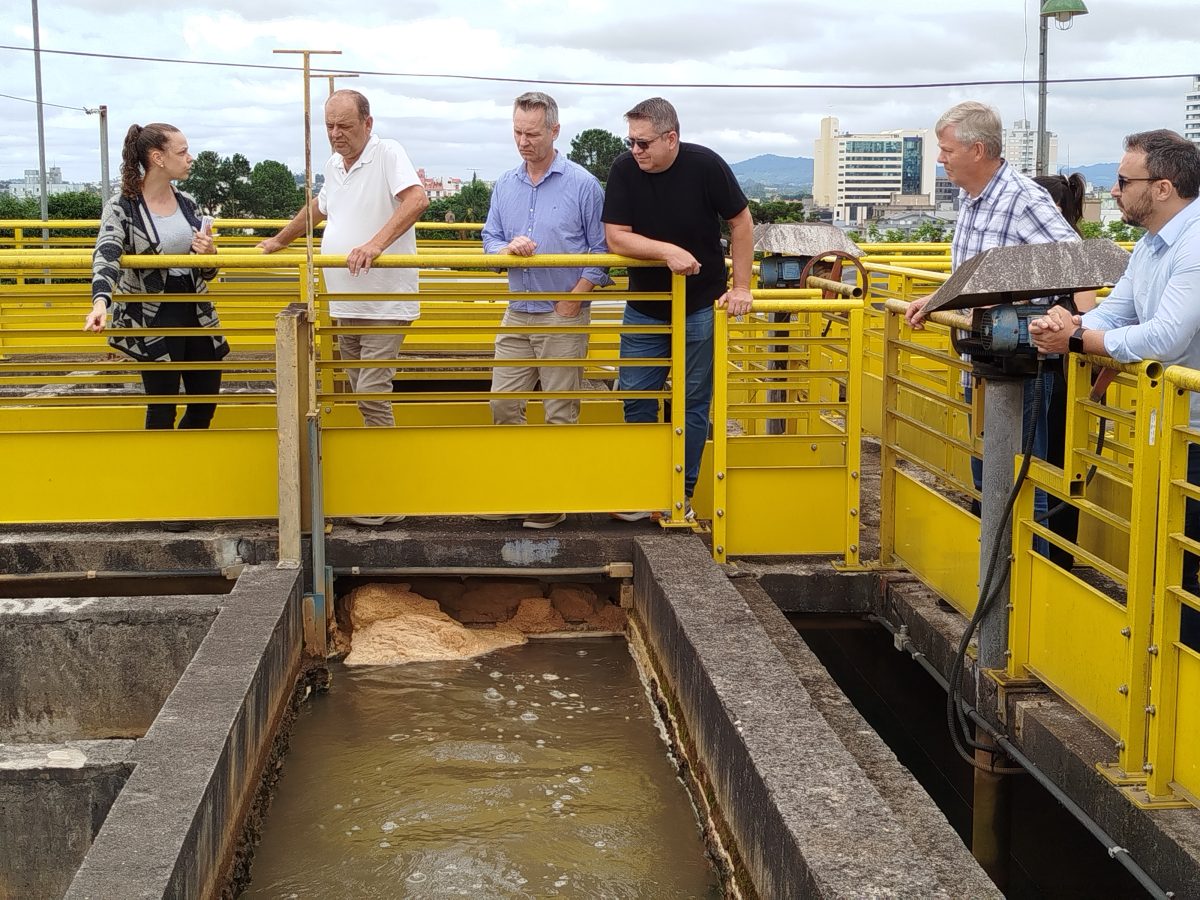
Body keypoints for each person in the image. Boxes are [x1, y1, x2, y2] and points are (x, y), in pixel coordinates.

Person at [1030, 129, 1200, 647]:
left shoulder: (1193, 244)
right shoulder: (1153, 243)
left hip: (1193, 431)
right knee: (1167, 562)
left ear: (1163, 187)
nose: (1115, 191)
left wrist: (1079, 339)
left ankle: (1182, 698)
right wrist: (1069, 324)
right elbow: (1114, 311)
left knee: (1186, 571)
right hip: (1171, 424)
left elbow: (1167, 337)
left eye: (1124, 181)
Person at [904, 101, 1079, 549]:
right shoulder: (971, 196)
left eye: (946, 150)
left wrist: (1023, 303)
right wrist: (939, 298)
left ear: (977, 150)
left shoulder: (1022, 198)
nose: (940, 158)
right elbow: (971, 271)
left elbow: (1072, 261)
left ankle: (1020, 595)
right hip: (982, 355)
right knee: (988, 473)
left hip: (1019, 358)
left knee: (1020, 481)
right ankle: (993, 581)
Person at [258, 90, 429, 526]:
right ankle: (378, 486)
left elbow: (417, 200)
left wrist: (374, 244)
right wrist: (280, 240)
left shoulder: (387, 153)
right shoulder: (335, 166)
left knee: (372, 393)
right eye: (330, 126)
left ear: (367, 124)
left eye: (345, 126)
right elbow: (319, 208)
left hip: (385, 302)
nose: (336, 135)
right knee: (362, 395)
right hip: (346, 302)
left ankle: (389, 495)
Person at [602, 97, 754, 521]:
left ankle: (680, 494)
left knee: (692, 402)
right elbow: (616, 236)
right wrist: (667, 251)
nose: (636, 151)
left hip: (700, 305)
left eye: (644, 143)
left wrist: (741, 286)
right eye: (631, 142)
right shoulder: (623, 170)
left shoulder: (706, 166)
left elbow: (741, 222)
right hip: (646, 305)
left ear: (672, 138)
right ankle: (645, 487)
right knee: (636, 396)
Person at [479, 91, 611, 530]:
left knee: (559, 409)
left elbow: (601, 249)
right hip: (518, 309)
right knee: (503, 405)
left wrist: (575, 297)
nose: (522, 141)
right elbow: (489, 239)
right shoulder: (504, 185)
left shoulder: (584, 185)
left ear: (555, 131)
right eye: (517, 131)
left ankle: (552, 498)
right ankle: (514, 491)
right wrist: (506, 249)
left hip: (563, 311)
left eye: (531, 133)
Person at [85, 122, 228, 435]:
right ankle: (160, 471)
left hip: (196, 311)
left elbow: (208, 270)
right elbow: (106, 255)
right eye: (182, 151)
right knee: (162, 406)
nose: (190, 157)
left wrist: (209, 255)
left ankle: (185, 463)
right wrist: (100, 303)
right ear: (158, 158)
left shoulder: (188, 202)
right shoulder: (122, 207)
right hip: (153, 316)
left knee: (205, 403)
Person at [1032, 173, 1098, 569]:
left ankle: (1055, 559)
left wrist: (1066, 321)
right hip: (1035, 372)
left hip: (1059, 376)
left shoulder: (1074, 254)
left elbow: (1087, 312)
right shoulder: (1033, 253)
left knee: (1055, 462)